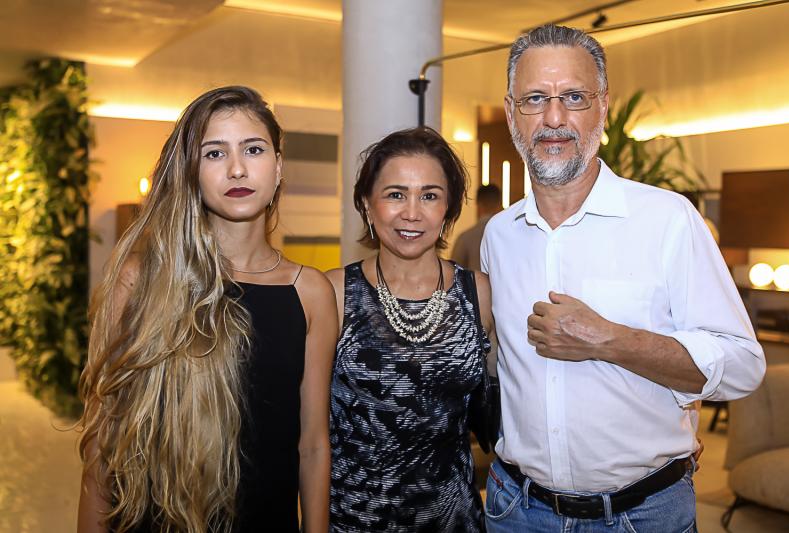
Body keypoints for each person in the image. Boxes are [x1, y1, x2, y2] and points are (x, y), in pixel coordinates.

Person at [480, 24, 765, 532]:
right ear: (510, 112)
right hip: (516, 509)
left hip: (642, 515)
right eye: (534, 99)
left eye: (573, 97)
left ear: (604, 107)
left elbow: (743, 366)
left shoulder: (668, 220)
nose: (553, 118)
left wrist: (609, 340)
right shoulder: (499, 236)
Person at [77, 86, 337, 533]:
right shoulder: (141, 279)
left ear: (278, 166)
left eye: (253, 149)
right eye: (215, 153)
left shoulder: (310, 291)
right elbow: (104, 436)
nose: (237, 168)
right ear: (192, 171)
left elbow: (312, 445)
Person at [326, 127, 493, 532]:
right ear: (367, 205)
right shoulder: (334, 292)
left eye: (430, 196)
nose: (412, 213)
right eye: (395, 195)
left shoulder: (479, 292)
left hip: (454, 519)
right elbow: (306, 432)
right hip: (355, 519)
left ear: (449, 208)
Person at [451, 184, 503, 272]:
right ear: (499, 204)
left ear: (478, 205)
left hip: (473, 281)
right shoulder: (508, 236)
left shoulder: (466, 238)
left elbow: (454, 272)